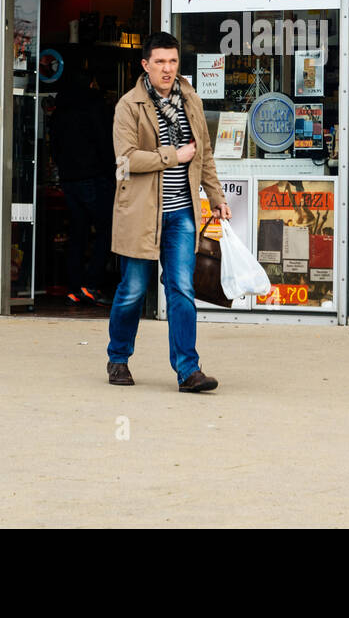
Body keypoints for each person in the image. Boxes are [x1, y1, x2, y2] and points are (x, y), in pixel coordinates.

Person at [107, 32, 230, 392]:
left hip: (182, 215)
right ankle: (118, 358)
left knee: (181, 289)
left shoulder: (190, 99)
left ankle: (188, 370)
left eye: (173, 62)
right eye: (160, 62)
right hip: (141, 213)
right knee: (132, 291)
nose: (167, 69)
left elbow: (203, 154)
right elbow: (125, 159)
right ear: (145, 64)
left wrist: (217, 196)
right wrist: (171, 156)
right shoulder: (129, 106)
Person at [52, 68, 115, 305]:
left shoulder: (61, 108)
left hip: (69, 179)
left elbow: (55, 146)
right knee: (106, 231)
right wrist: (112, 174)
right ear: (91, 83)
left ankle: (74, 286)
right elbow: (105, 143)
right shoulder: (96, 106)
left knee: (77, 233)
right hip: (94, 176)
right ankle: (92, 284)